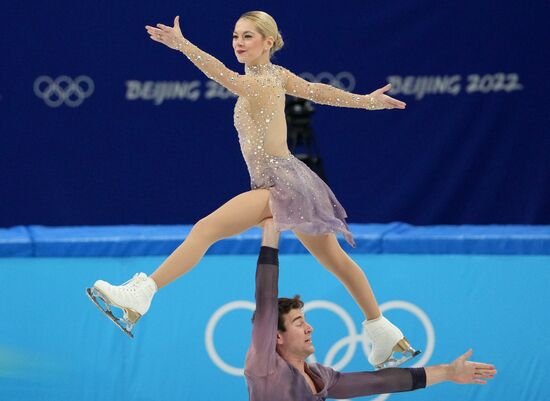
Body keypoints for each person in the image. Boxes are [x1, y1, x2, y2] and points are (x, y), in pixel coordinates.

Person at [87, 11, 413, 369]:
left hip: (281, 182)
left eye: (248, 37)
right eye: (235, 37)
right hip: (290, 182)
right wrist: (366, 100)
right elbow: (316, 91)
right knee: (336, 261)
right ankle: (382, 331)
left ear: (268, 42)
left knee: (204, 230)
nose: (239, 44)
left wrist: (184, 46)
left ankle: (142, 293)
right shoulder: (273, 75)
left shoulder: (261, 82)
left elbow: (224, 76)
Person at [245, 219, 496, 400]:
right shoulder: (264, 367)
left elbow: (381, 381)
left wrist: (449, 372)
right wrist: (270, 235)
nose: (309, 327)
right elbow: (266, 299)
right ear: (275, 336)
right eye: (299, 323)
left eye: (305, 320)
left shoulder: (321, 377)